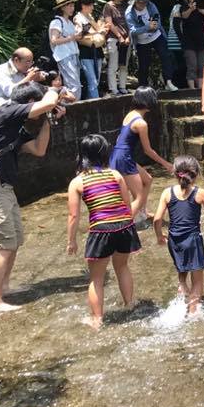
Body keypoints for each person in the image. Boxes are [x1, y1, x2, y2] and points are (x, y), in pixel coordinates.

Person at [0, 82, 64, 311]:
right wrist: (54, 88)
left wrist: (48, 119)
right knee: (4, 243)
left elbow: (39, 150)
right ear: (31, 102)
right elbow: (48, 101)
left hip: (3, 187)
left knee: (15, 240)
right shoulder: (8, 111)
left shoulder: (15, 128)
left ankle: (4, 288)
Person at [65, 134, 141, 329]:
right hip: (124, 227)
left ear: (82, 155)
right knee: (122, 267)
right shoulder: (115, 175)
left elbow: (74, 216)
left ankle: (97, 320)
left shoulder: (78, 182)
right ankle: (130, 305)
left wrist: (71, 241)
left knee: (96, 278)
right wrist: (130, 230)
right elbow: (126, 204)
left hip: (101, 231)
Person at [153, 156, 204, 316]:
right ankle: (192, 314)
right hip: (192, 241)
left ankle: (182, 285)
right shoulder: (200, 193)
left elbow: (157, 219)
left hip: (174, 240)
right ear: (196, 174)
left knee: (182, 265)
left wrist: (159, 236)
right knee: (198, 281)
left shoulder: (167, 193)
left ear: (175, 174)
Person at [109, 86, 175, 223]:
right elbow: (148, 150)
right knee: (138, 197)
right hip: (124, 158)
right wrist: (166, 164)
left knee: (148, 179)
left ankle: (142, 213)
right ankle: (124, 224)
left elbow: (119, 139)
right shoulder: (141, 123)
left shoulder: (130, 114)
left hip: (118, 154)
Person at [125, 0, 179, 91]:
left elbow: (157, 19)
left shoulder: (151, 5)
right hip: (142, 41)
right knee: (144, 65)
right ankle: (142, 88)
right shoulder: (129, 13)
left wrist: (155, 25)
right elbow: (133, 31)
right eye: (141, 2)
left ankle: (168, 82)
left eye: (145, 1)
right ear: (135, 2)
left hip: (157, 36)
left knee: (166, 56)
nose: (144, 4)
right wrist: (147, 27)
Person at [0, 48, 46, 114]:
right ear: (16, 60)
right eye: (28, 62)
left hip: (15, 104)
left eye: (31, 62)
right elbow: (11, 93)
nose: (30, 65)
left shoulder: (22, 70)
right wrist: (29, 78)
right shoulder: (1, 70)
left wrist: (35, 79)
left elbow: (26, 91)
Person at [49, 0, 83, 100]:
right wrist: (71, 37)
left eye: (73, 5)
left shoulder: (69, 22)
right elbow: (54, 40)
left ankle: (69, 105)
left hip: (73, 55)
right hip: (64, 56)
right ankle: (71, 106)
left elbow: (76, 36)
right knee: (74, 85)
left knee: (74, 84)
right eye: (69, 6)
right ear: (62, 7)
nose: (72, 8)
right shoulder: (57, 21)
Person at [74, 0, 108, 100]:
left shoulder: (90, 16)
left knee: (96, 80)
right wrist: (97, 32)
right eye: (90, 5)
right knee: (92, 80)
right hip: (86, 51)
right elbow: (79, 35)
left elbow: (98, 29)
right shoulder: (78, 18)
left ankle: (91, 103)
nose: (92, 7)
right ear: (83, 6)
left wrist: (99, 30)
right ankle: (97, 104)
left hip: (97, 49)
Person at [102, 0, 131, 95]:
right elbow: (109, 23)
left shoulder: (127, 5)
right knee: (113, 65)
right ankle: (113, 88)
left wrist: (128, 36)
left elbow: (130, 22)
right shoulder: (108, 6)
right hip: (114, 39)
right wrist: (119, 36)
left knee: (124, 65)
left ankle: (123, 87)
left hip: (127, 39)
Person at [180, 0, 204, 89]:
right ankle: (192, 89)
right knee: (192, 65)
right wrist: (190, 9)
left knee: (201, 66)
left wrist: (197, 7)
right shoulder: (183, 6)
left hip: (201, 41)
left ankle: (201, 88)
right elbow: (184, 16)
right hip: (188, 42)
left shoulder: (202, 6)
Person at [166, 0, 187, 87]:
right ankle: (179, 84)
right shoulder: (178, 7)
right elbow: (176, 24)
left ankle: (179, 84)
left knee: (179, 63)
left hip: (174, 39)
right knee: (180, 64)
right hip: (176, 39)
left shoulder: (176, 7)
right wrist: (182, 39)